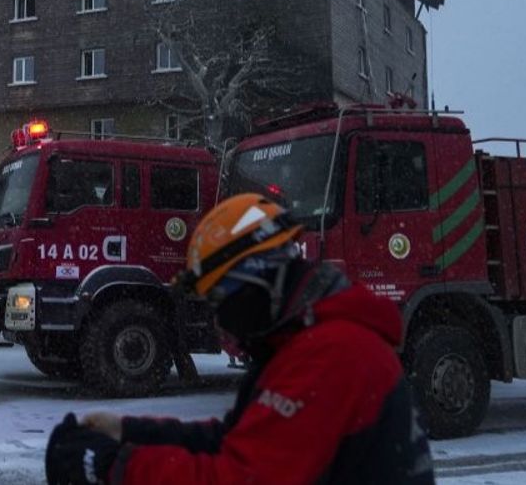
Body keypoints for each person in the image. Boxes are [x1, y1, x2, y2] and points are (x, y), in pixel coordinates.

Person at [45, 193, 435, 485]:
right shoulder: (299, 344)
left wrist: (112, 466)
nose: (220, 317)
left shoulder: (333, 353)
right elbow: (235, 439)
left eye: (220, 297)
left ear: (261, 278)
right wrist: (129, 432)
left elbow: (243, 477)